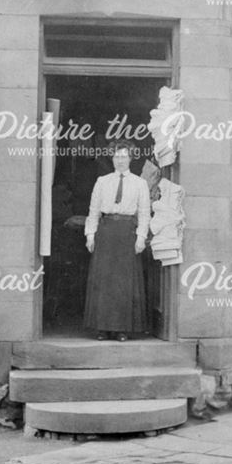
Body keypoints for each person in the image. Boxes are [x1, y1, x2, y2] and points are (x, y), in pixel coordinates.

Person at [83, 143, 150, 341]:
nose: (120, 160)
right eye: (117, 156)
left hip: (127, 232)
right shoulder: (102, 181)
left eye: (124, 156)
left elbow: (144, 213)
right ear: (112, 159)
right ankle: (102, 328)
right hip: (106, 232)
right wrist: (90, 234)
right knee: (104, 280)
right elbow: (93, 210)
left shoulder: (140, 183)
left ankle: (122, 329)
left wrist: (141, 237)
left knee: (124, 282)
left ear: (130, 159)